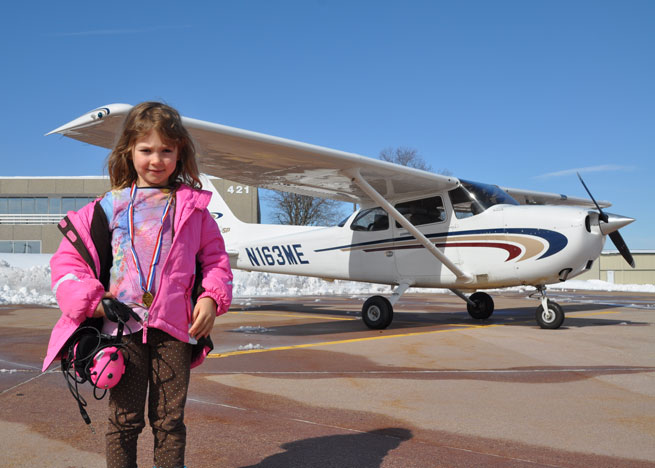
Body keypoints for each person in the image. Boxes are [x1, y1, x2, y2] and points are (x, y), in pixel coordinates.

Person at [42, 101, 233, 468]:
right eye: (146, 150)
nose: (156, 159)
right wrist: (94, 301)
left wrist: (211, 297)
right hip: (122, 330)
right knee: (124, 421)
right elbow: (68, 262)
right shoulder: (108, 207)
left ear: (180, 153)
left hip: (175, 329)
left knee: (169, 422)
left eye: (166, 150)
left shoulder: (193, 209)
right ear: (129, 151)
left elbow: (216, 261)